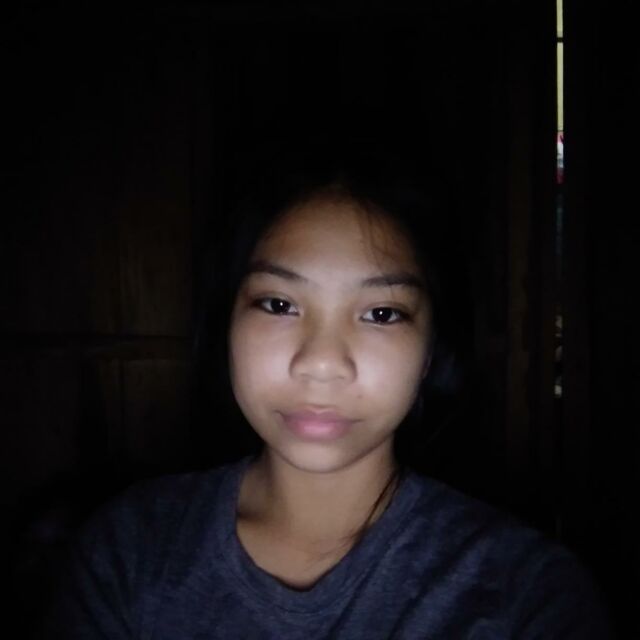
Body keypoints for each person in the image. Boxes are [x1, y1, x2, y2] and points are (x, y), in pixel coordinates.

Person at [40, 146, 613, 639]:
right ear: (227, 320)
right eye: (279, 304)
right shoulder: (129, 555)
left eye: (381, 313)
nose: (320, 363)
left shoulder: (526, 595)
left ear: (433, 345)